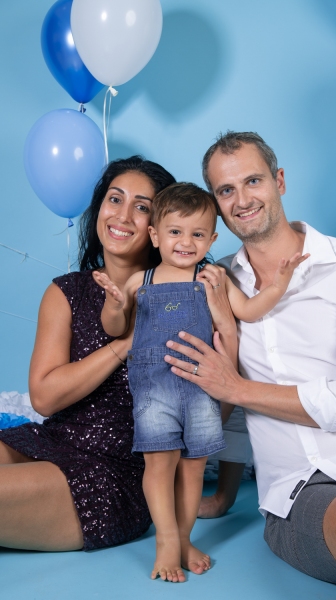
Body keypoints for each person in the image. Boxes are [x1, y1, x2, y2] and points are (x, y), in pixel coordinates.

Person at [163, 131, 336, 586]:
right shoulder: (216, 284)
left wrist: (238, 388)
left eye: (253, 181)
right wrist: (224, 495)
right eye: (226, 190)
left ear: (280, 181)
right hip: (301, 506)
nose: (242, 200)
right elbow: (225, 408)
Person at [93, 182, 307, 582]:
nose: (186, 242)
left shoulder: (214, 277)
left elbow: (248, 309)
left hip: (201, 392)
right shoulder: (142, 281)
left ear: (212, 237)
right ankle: (165, 542)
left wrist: (277, 285)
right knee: (160, 466)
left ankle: (185, 538)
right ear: (155, 235)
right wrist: (115, 303)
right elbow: (115, 328)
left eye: (197, 234)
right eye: (175, 232)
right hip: (154, 390)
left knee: (192, 469)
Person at [0, 155, 177, 552]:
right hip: (47, 442)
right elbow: (44, 398)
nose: (124, 215)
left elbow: (204, 407)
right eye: (115, 199)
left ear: (158, 228)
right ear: (99, 208)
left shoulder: (175, 299)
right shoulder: (65, 292)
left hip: (113, 475)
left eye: (142, 207)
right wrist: (124, 345)